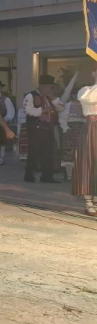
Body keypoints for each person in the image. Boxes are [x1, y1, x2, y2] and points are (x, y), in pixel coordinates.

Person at [23, 75, 63, 183]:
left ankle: (47, 176)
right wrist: (42, 110)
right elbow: (28, 110)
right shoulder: (31, 96)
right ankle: (29, 175)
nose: (50, 90)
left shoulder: (48, 97)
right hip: (36, 128)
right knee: (34, 152)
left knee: (48, 152)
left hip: (48, 128)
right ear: (43, 86)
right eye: (49, 87)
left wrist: (53, 98)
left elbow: (60, 107)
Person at [72, 67, 97, 216]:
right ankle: (88, 201)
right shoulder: (85, 90)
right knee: (88, 162)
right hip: (92, 127)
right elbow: (91, 98)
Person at [0, 81, 16, 165]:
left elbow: (10, 112)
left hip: (3, 122)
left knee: (2, 141)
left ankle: (1, 158)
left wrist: (4, 120)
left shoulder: (6, 99)